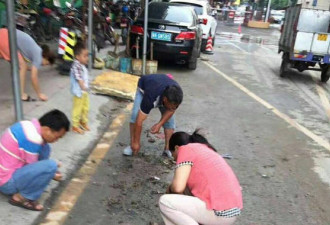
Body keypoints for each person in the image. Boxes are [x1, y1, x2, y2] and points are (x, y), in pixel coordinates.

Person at [158, 130, 243, 225]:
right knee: (184, 191)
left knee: (165, 202)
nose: (175, 160)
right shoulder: (204, 149)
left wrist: (170, 189)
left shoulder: (185, 149)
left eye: (174, 156)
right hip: (231, 210)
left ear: (177, 148)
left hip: (220, 213)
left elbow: (178, 188)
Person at [0, 109, 70, 211]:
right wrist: (52, 173)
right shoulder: (33, 139)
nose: (56, 140)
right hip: (6, 183)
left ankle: (47, 171)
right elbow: (31, 167)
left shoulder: (27, 125)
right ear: (47, 129)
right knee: (50, 166)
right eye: (57, 137)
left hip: (4, 173)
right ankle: (22, 197)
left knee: (45, 147)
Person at [122, 74, 183, 157]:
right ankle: (132, 144)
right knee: (135, 116)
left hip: (161, 85)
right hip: (144, 87)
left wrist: (159, 124)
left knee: (170, 123)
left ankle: (167, 148)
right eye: (172, 106)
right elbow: (139, 121)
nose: (174, 108)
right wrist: (136, 142)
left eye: (176, 106)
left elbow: (171, 110)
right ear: (165, 100)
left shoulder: (176, 95)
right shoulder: (150, 98)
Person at [0, 28, 56, 102]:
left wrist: (28, 68)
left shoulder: (37, 50)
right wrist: (39, 94)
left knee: (21, 65)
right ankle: (21, 95)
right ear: (46, 57)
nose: (44, 65)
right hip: (6, 37)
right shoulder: (38, 56)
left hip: (4, 33)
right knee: (22, 66)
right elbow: (33, 77)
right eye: (47, 63)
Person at [70, 42, 90, 134]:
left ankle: (83, 122)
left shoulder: (81, 65)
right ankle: (75, 125)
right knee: (77, 109)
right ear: (77, 57)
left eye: (87, 55)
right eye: (85, 56)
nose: (87, 58)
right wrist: (84, 88)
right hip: (79, 92)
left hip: (84, 92)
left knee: (85, 107)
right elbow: (79, 79)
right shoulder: (76, 66)